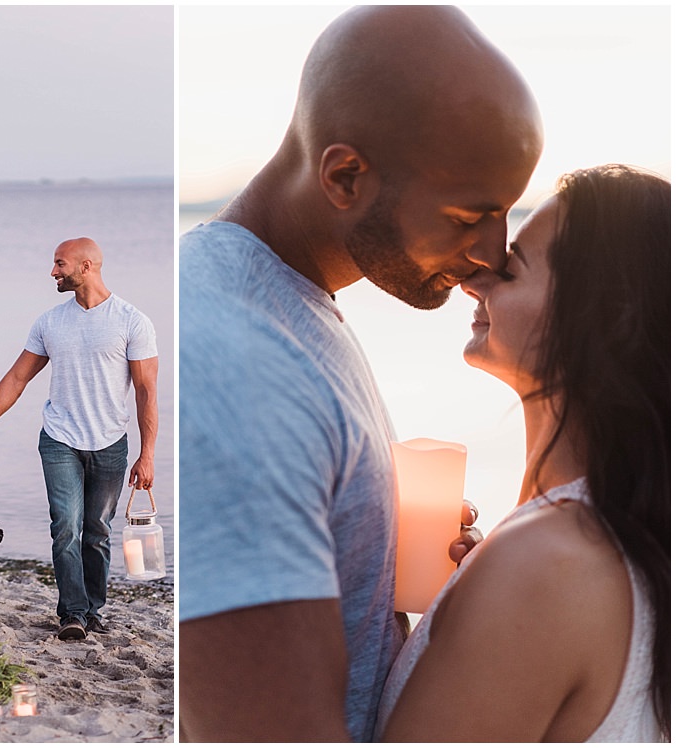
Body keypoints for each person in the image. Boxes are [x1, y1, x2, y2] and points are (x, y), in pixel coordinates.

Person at [179, 6, 544, 742]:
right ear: (345, 176)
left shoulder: (292, 308)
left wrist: (382, 560)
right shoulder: (236, 363)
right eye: (471, 215)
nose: (493, 252)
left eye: (504, 213)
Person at [376, 165, 670, 742]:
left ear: (606, 319)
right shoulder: (595, 540)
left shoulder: (549, 564)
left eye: (508, 270)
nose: (472, 280)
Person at [0, 237, 159, 641]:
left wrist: (148, 455)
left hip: (110, 443)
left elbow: (146, 391)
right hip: (59, 439)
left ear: (86, 267)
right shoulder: (50, 322)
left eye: (60, 263)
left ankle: (93, 609)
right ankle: (72, 613)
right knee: (66, 527)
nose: (53, 271)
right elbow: (17, 379)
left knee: (98, 531)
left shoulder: (132, 321)